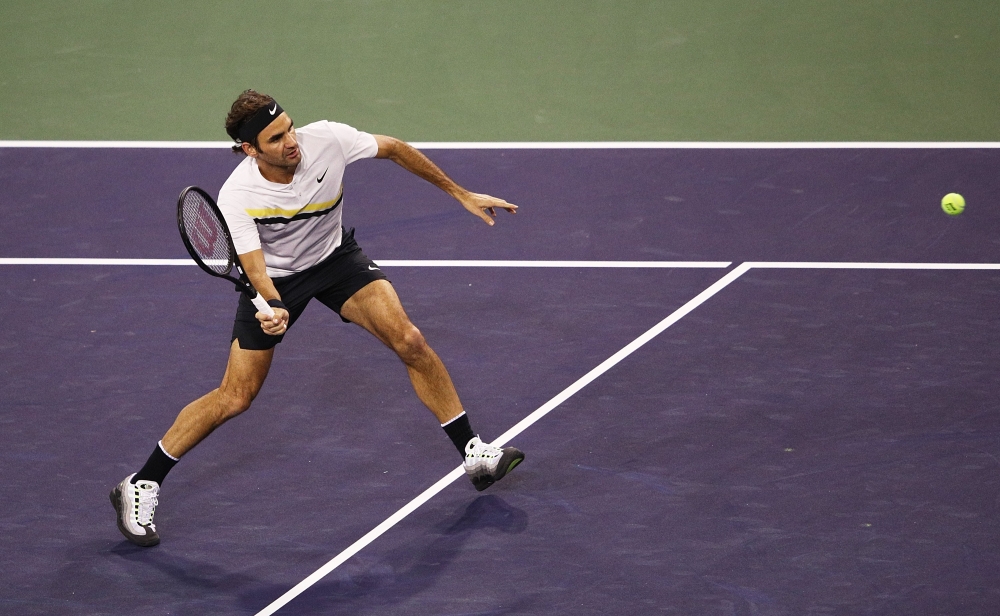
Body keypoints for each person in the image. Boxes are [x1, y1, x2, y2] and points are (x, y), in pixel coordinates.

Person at [110, 89, 524, 547]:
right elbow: (254, 268)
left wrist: (460, 193)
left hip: (336, 260)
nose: (291, 142)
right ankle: (142, 482)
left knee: (409, 339)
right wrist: (272, 308)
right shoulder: (239, 194)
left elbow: (394, 148)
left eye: (288, 127)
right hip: (280, 278)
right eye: (275, 138)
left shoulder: (327, 139)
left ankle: (473, 453)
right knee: (235, 397)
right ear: (250, 150)